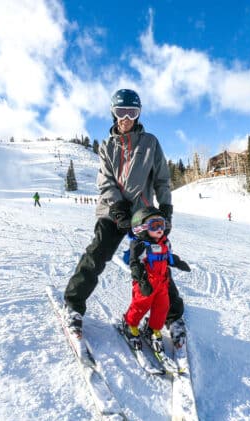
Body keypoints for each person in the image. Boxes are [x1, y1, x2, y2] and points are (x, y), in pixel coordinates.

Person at [63, 88, 188, 348]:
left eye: (132, 112)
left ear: (139, 114)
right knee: (97, 253)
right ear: (113, 113)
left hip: (142, 213)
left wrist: (165, 209)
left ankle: (172, 317)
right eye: (121, 112)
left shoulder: (150, 143)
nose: (126, 118)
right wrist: (117, 205)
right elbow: (105, 180)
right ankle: (74, 305)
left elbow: (163, 180)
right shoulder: (108, 146)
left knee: (158, 261)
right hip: (112, 211)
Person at [121, 207, 191, 352]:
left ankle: (153, 329)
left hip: (163, 284)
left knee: (162, 308)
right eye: (154, 225)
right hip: (146, 283)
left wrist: (178, 262)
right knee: (140, 306)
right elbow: (135, 264)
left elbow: (169, 257)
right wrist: (142, 281)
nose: (160, 229)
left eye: (162, 224)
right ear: (142, 228)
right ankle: (130, 324)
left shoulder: (164, 242)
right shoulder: (141, 245)